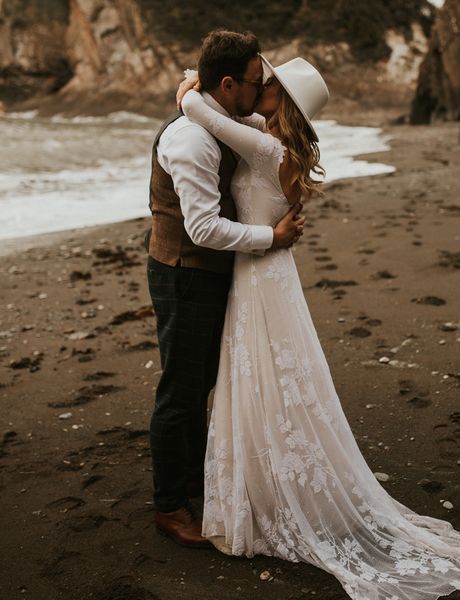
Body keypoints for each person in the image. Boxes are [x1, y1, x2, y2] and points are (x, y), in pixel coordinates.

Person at [179, 54, 460, 598]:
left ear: (284, 104)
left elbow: (198, 110)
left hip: (260, 273)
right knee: (272, 379)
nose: (262, 88)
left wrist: (189, 87)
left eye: (271, 86)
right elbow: (234, 118)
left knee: (263, 377)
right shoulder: (282, 144)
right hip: (273, 270)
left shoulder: (265, 146)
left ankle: (270, 499)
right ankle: (273, 489)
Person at [146, 30, 305, 549]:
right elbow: (202, 230)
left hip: (216, 270)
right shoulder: (190, 139)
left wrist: (193, 90)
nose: (261, 93)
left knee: (201, 382)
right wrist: (270, 237)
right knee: (181, 390)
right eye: (256, 83)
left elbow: (255, 118)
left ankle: (193, 475)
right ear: (230, 83)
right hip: (184, 271)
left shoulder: (232, 120)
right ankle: (170, 505)